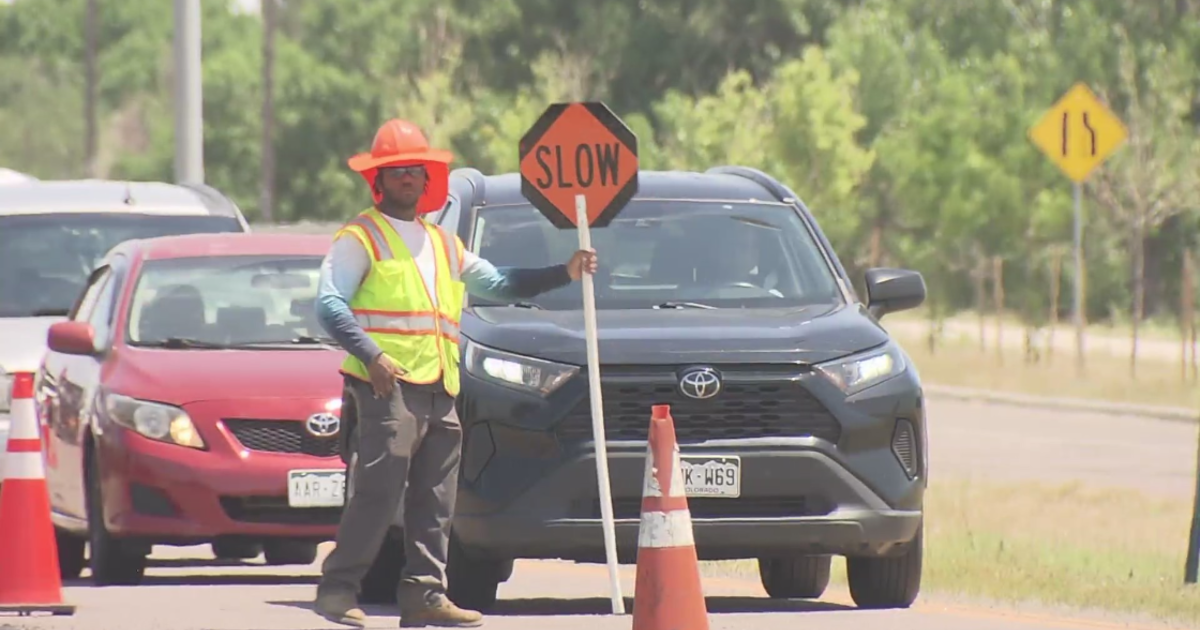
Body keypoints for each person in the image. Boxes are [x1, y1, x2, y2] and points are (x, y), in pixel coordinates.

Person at [311, 119, 597, 628]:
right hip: (387, 386)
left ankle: (423, 594)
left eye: (415, 171)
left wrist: (564, 272)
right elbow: (329, 306)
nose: (406, 179)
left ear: (428, 180)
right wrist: (372, 355)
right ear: (378, 181)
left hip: (441, 386)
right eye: (395, 171)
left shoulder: (444, 243)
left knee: (436, 499)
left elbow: (500, 283)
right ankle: (338, 589)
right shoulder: (361, 238)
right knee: (378, 492)